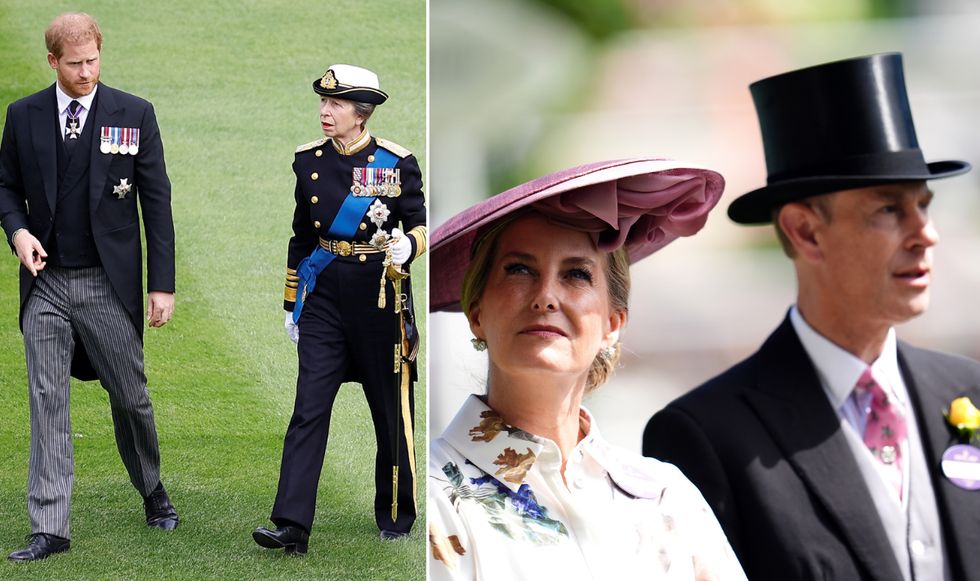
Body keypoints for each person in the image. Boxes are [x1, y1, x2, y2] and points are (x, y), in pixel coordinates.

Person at [643, 53, 980, 581]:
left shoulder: (970, 390)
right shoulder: (707, 436)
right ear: (805, 232)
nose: (926, 232)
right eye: (889, 209)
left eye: (924, 205)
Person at [427, 159, 748, 580]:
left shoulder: (667, 496)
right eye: (519, 269)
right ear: (477, 313)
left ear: (612, 325)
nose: (545, 297)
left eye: (576, 274)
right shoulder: (430, 495)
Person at [0, 12, 179, 562]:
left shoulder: (134, 113)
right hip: (46, 284)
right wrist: (18, 231)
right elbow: (5, 186)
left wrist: (162, 286)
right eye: (75, 63)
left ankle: (151, 488)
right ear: (52, 61)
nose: (86, 72)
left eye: (93, 60)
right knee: (47, 400)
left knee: (131, 398)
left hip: (109, 284)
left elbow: (157, 204)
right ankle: (50, 527)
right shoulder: (24, 115)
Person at [252, 64, 426, 555]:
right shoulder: (306, 161)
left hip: (380, 297)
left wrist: (408, 248)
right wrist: (292, 304)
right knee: (308, 407)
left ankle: (396, 512)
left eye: (337, 104)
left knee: (390, 410)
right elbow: (302, 238)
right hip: (324, 297)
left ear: (361, 112)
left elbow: (420, 222)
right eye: (323, 103)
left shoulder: (397, 163)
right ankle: (290, 524)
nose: (326, 112)